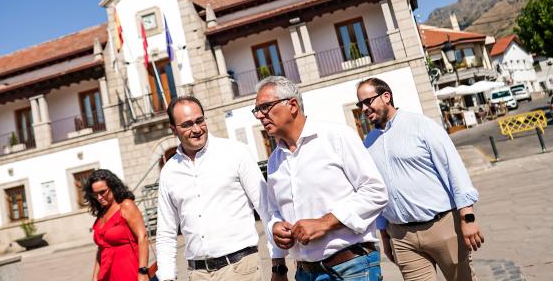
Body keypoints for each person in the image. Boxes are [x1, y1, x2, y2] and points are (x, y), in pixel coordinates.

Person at [256, 76, 388, 281]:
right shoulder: (275, 161)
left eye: (265, 107)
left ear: (292, 105)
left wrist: (325, 223)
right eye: (257, 110)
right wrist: (276, 228)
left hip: (351, 268)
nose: (259, 116)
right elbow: (275, 211)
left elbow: (375, 192)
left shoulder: (337, 137)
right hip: (304, 272)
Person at [357, 77, 484, 281]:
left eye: (368, 101)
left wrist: (468, 218)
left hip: (442, 226)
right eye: (360, 104)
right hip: (401, 237)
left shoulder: (422, 125)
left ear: (386, 96)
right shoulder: (369, 142)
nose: (364, 108)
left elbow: (454, 171)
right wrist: (384, 234)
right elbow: (376, 189)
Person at [155, 95, 271, 281]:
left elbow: (266, 208)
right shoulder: (169, 171)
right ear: (173, 129)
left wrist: (278, 261)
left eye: (200, 121)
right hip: (197, 274)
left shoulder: (235, 152)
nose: (196, 129)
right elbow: (166, 232)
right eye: (187, 125)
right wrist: (167, 276)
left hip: (241, 269)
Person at [83, 169, 150, 281]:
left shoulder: (126, 205)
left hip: (129, 269)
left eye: (103, 192)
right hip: (107, 272)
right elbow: (101, 248)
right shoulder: (102, 212)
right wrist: (95, 277)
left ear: (113, 187)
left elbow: (142, 237)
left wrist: (143, 271)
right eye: (95, 194)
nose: (99, 197)